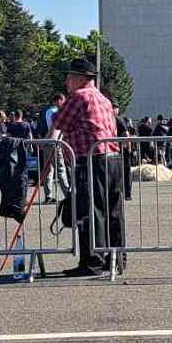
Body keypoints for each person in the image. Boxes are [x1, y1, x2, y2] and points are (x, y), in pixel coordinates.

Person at [48, 57, 124, 277]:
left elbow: (60, 122)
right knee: (113, 210)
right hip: (112, 159)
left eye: (70, 77)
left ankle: (92, 260)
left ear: (81, 79)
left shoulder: (79, 97)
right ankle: (116, 257)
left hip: (90, 159)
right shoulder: (103, 98)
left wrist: (49, 146)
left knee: (90, 209)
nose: (66, 82)